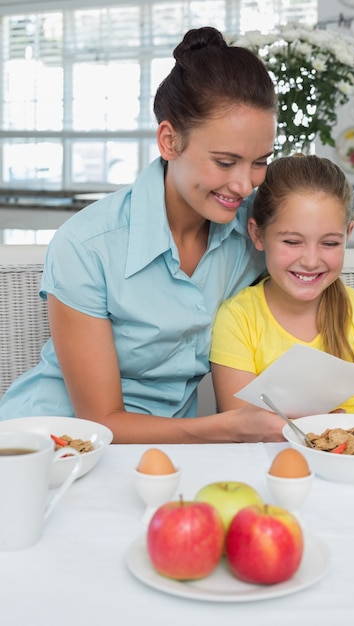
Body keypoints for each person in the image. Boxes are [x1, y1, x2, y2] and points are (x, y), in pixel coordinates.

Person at [0, 26, 287, 443]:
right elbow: (101, 421)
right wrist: (228, 428)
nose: (244, 185)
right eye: (225, 162)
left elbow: (316, 234)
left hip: (161, 451)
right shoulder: (87, 246)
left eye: (259, 161)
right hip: (51, 443)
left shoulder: (252, 234)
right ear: (169, 141)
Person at [210, 154, 354, 427]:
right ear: (257, 234)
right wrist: (327, 426)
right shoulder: (238, 318)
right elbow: (241, 431)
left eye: (329, 243)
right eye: (292, 241)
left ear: (347, 235)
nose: (311, 260)